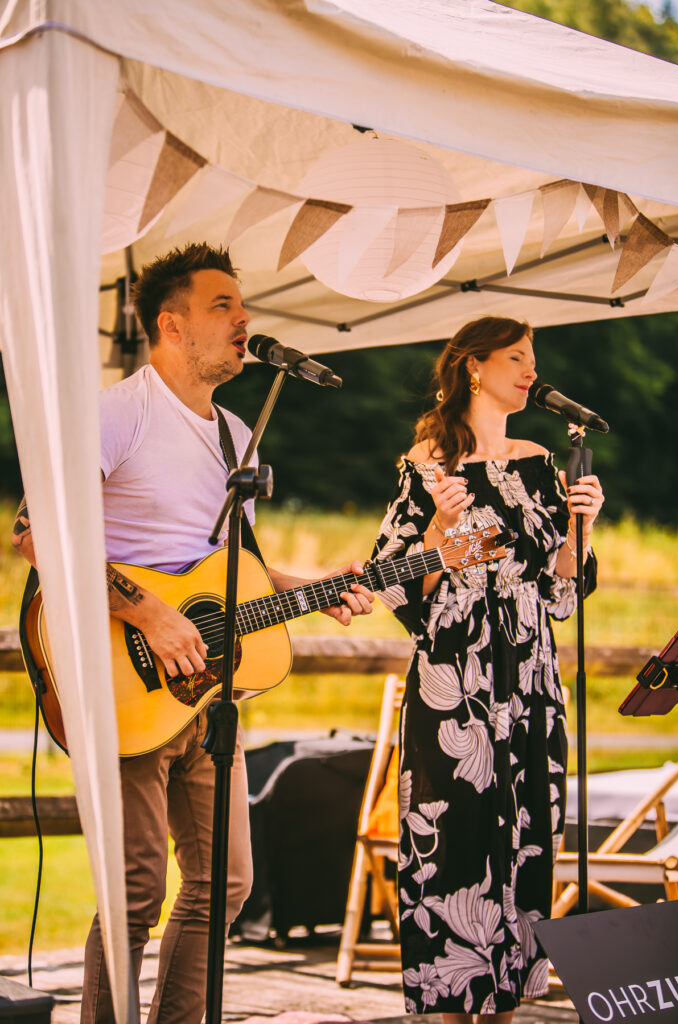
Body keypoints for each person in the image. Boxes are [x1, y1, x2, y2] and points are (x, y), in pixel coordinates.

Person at [11, 243, 373, 1024]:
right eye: (222, 307)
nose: (245, 320)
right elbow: (37, 530)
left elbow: (228, 573)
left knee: (226, 884)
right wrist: (147, 612)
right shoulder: (115, 413)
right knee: (135, 889)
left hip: (207, 693)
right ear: (170, 326)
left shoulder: (236, 434)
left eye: (242, 306)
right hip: (121, 680)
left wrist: (308, 590)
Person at [372, 316, 603, 1023]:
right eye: (515, 357)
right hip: (457, 677)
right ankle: (450, 1006)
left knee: (527, 835)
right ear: (473, 366)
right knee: (456, 841)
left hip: (531, 672)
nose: (530, 370)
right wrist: (441, 530)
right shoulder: (427, 462)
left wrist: (580, 531)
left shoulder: (540, 460)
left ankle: (507, 1005)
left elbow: (561, 590)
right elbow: (390, 580)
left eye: (532, 358)